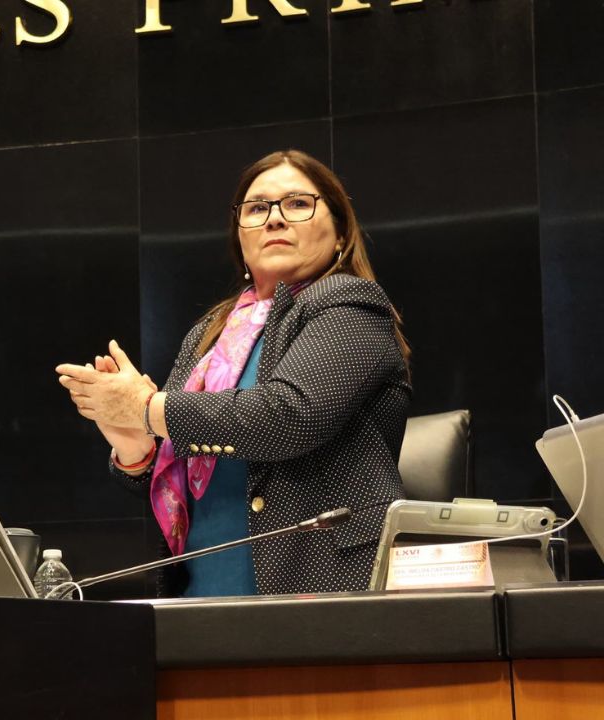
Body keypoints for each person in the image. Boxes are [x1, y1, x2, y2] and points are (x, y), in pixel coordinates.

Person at [55, 150, 411, 597]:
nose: (275, 219)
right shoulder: (212, 333)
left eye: (298, 203)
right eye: (257, 208)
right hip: (204, 585)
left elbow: (287, 415)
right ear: (240, 239)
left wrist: (148, 407)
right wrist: (136, 444)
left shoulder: (350, 305)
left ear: (340, 233)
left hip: (318, 583)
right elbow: (182, 475)